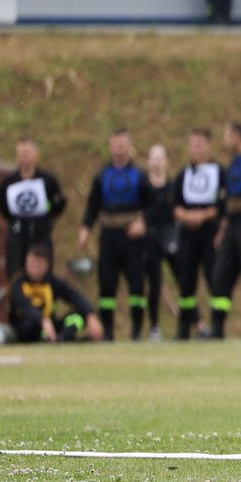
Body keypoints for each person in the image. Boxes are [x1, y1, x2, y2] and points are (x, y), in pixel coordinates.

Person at [77, 130, 150, 341]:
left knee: (136, 285)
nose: (118, 149)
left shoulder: (139, 175)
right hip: (108, 235)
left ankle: (136, 331)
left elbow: (152, 205)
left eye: (122, 145)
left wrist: (142, 221)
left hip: (133, 237)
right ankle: (107, 332)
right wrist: (85, 229)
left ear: (129, 146)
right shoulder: (102, 176)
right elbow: (93, 205)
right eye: (115, 145)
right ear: (110, 147)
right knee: (107, 284)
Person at [209, 121, 241, 340]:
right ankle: (217, 327)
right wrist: (223, 228)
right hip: (232, 223)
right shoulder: (233, 161)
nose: (224, 140)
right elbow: (227, 198)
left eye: (227, 135)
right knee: (221, 274)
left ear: (238, 136)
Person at [171, 128, 224, 341]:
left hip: (210, 232)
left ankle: (217, 327)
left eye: (200, 144)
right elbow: (174, 204)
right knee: (186, 281)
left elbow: (223, 203)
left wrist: (203, 215)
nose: (196, 149)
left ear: (208, 146)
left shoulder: (219, 172)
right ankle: (184, 328)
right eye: (193, 144)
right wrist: (186, 216)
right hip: (187, 234)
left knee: (214, 278)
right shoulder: (183, 174)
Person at [0, 138, 67, 291]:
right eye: (19, 154)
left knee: (42, 277)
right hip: (17, 237)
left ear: (36, 155)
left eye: (26, 154)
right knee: (15, 276)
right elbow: (2, 206)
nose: (22, 158)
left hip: (41, 236)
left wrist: (46, 220)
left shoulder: (47, 180)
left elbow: (59, 203)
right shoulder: (9, 182)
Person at [8, 243, 100, 344]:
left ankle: (62, 339)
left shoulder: (53, 282)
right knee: (30, 323)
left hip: (51, 327)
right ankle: (46, 340)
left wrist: (90, 315)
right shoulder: (18, 284)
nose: (33, 267)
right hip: (27, 329)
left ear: (46, 265)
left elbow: (76, 297)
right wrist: (42, 319)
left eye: (37, 264)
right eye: (30, 263)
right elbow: (25, 307)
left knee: (78, 316)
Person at [141, 143, 179, 342]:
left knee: (183, 279)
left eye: (160, 157)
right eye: (152, 157)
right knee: (155, 284)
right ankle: (154, 327)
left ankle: (190, 323)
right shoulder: (143, 186)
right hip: (149, 240)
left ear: (166, 161)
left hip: (171, 237)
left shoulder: (174, 186)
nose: (156, 161)